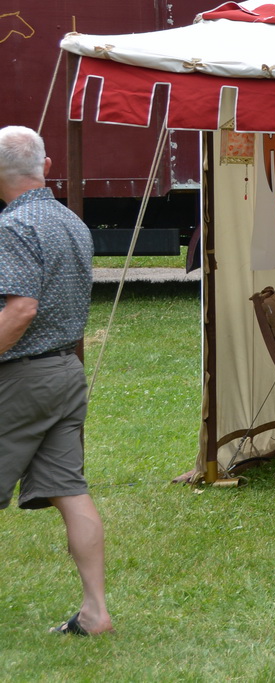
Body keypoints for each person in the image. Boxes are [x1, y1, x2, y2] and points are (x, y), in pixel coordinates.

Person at [0, 126, 111, 636]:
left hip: (24, 376)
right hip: (67, 370)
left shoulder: (15, 225)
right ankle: (95, 612)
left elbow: (21, 308)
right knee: (70, 490)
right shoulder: (70, 221)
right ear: (45, 165)